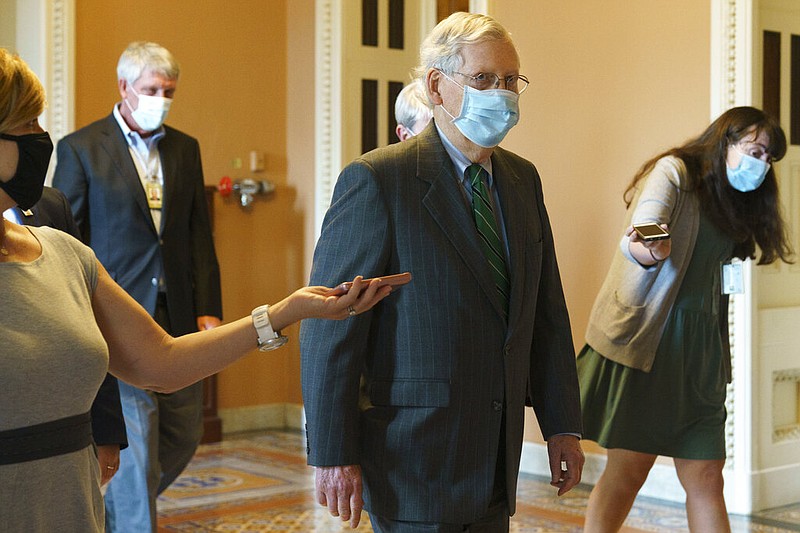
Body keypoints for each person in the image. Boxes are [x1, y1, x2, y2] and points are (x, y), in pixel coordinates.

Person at [0, 47, 394, 533]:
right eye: (28, 127)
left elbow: (162, 362)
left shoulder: (64, 254)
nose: (43, 139)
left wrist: (286, 311)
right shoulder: (87, 150)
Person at [300, 12, 584, 532]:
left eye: (509, 81)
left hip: (496, 457)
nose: (501, 94)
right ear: (437, 85)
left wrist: (562, 424)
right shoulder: (378, 180)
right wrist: (333, 452)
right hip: (413, 459)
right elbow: (331, 326)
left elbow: (546, 312)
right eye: (483, 79)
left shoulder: (523, 181)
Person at [577, 106, 793, 533]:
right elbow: (643, 230)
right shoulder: (674, 172)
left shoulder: (737, 202)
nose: (761, 164)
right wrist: (649, 249)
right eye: (755, 150)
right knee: (628, 475)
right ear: (724, 141)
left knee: (707, 477)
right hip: (651, 347)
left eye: (768, 158)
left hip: (703, 358)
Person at [52, 41, 222, 531]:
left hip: (178, 311)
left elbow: (197, 234)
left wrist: (209, 305)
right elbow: (67, 236)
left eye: (169, 91)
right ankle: (133, 521)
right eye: (152, 89)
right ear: (125, 87)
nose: (162, 99)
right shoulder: (81, 148)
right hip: (117, 313)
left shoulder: (185, 148)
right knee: (140, 441)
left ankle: (113, 510)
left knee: (184, 434)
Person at [4, 186, 128, 486]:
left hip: (64, 447)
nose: (38, 141)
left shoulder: (50, 206)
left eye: (38, 134)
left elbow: (90, 325)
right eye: (25, 134)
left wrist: (107, 430)